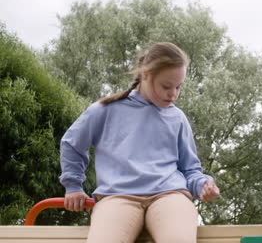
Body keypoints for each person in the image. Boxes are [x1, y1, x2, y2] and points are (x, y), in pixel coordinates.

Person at [59, 42, 220, 243]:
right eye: (166, 86)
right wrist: (73, 185)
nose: (173, 94)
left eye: (179, 87)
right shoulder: (106, 109)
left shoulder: (177, 118)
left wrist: (202, 185)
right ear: (145, 74)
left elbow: (190, 170)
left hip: (169, 195)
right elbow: (72, 143)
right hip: (118, 196)